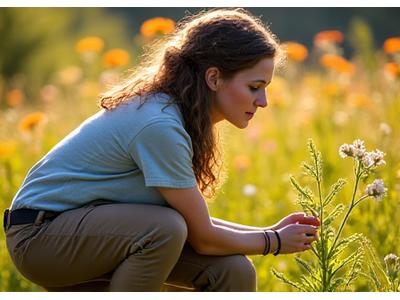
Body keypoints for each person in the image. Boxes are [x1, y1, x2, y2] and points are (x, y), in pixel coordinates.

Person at [4, 8, 320, 292]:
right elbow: (203, 238)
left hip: (97, 233)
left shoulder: (182, 118)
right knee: (165, 228)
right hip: (41, 238)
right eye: (254, 87)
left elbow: (200, 227)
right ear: (214, 77)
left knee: (233, 271)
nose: (262, 101)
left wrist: (268, 233)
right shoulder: (159, 124)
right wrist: (273, 242)